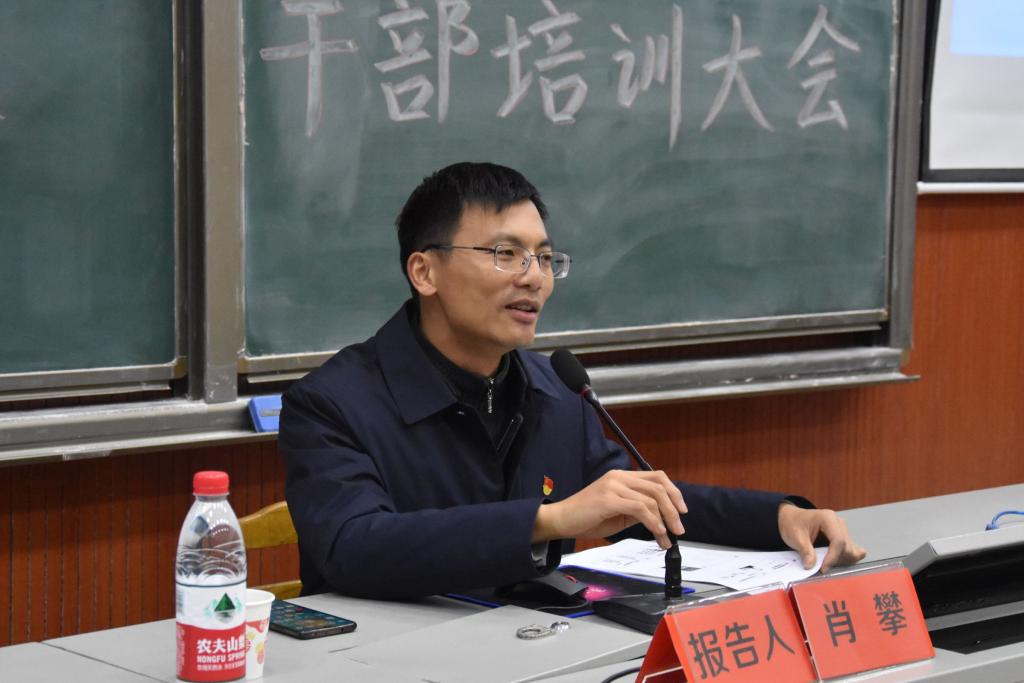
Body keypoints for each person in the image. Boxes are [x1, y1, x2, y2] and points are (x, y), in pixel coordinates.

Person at [279, 161, 866, 599]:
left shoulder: (555, 388)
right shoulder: (332, 402)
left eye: (544, 258)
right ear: (424, 271)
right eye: (506, 254)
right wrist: (550, 520)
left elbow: (632, 498)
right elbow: (354, 547)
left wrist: (780, 519)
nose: (533, 278)